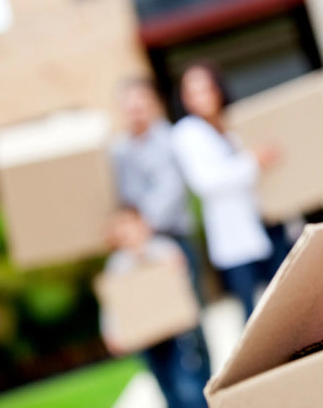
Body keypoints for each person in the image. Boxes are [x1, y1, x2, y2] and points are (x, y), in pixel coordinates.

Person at [171, 62, 281, 321]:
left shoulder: (234, 123)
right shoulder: (187, 134)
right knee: (251, 311)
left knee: (281, 301)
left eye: (206, 89)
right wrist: (253, 162)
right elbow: (206, 182)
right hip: (233, 233)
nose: (202, 97)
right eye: (193, 92)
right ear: (185, 99)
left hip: (265, 220)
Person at [100, 208, 211, 408]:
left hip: (176, 332)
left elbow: (183, 284)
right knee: (165, 384)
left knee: (186, 383)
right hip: (146, 339)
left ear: (144, 226)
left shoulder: (164, 250)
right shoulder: (117, 265)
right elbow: (112, 303)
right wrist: (110, 331)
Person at [110, 78, 204, 298]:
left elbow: (172, 188)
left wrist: (142, 225)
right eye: (129, 105)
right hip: (139, 245)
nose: (135, 110)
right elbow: (125, 194)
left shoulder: (170, 139)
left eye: (140, 103)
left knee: (190, 304)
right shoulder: (120, 150)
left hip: (175, 234)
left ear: (153, 103)